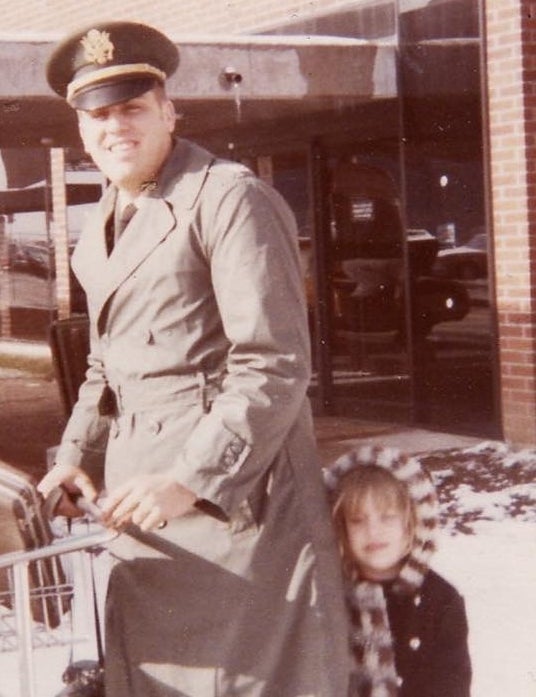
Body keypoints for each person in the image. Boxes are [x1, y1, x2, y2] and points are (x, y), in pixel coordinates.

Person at [38, 20, 351, 697]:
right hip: (143, 510)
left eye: (131, 107)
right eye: (97, 115)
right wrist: (76, 455)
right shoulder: (105, 219)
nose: (114, 126)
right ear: (80, 130)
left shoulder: (228, 197)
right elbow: (105, 366)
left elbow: (273, 365)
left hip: (236, 511)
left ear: (168, 111)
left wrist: (190, 478)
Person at [323, 445, 471, 697]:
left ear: (414, 520)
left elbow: (450, 683)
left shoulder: (440, 601)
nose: (373, 531)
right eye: (357, 520)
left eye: (387, 517)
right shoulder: (327, 595)